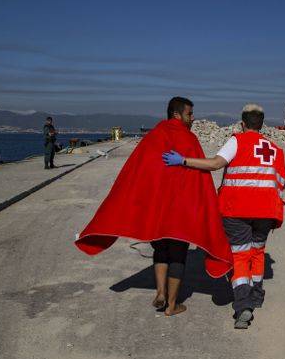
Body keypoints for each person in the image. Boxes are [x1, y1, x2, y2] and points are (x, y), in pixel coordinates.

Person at [75, 97, 233, 317]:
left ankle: (160, 292)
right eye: (189, 114)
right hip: (180, 210)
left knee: (160, 250)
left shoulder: (152, 137)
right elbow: (201, 178)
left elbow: (135, 173)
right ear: (177, 115)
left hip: (157, 209)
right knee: (178, 254)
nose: (193, 118)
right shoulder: (189, 139)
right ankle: (172, 304)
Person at [162, 104, 285, 330]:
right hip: (267, 211)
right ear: (262, 125)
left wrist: (183, 161)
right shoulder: (275, 149)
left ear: (242, 124)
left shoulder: (236, 141)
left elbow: (215, 164)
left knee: (239, 256)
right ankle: (257, 296)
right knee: (257, 253)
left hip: (236, 210)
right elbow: (282, 182)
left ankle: (243, 306)